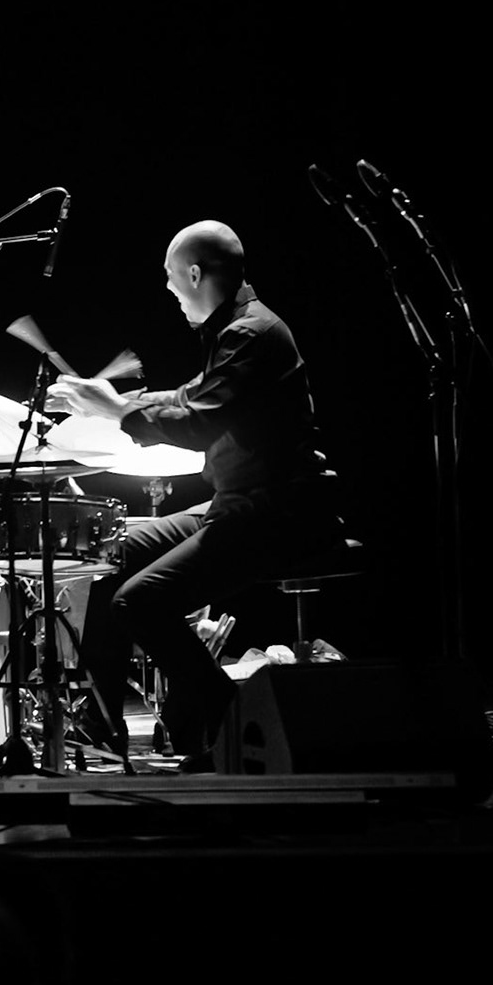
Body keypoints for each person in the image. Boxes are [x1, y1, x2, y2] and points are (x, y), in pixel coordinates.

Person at [46, 221, 340, 770]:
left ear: (195, 274)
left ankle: (238, 728)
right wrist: (112, 402)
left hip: (279, 511)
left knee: (140, 601)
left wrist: (117, 411)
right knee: (114, 558)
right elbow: (192, 396)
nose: (168, 288)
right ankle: (104, 722)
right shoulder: (237, 329)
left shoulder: (252, 334)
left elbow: (197, 423)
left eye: (170, 277)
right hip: (239, 501)